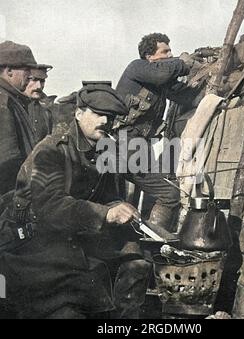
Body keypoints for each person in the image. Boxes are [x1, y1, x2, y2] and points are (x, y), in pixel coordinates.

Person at [0, 82, 151, 319]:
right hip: (32, 241)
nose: (105, 121)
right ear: (79, 113)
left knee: (137, 263)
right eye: (99, 114)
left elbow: (106, 195)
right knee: (70, 304)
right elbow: (50, 207)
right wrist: (106, 214)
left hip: (76, 234)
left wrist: (116, 205)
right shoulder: (51, 149)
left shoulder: (104, 151)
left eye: (110, 117)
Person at [116, 33, 198, 231]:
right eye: (165, 51)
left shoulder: (160, 83)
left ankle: (139, 238)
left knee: (147, 192)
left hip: (137, 147)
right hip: (121, 145)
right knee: (169, 193)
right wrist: (182, 63)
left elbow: (186, 97)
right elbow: (161, 74)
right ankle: (154, 241)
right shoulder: (137, 67)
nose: (170, 54)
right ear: (149, 56)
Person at [0, 40, 52, 196]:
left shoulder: (13, 100)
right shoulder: (4, 102)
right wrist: (17, 201)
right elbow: (7, 162)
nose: (31, 76)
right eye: (27, 70)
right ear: (9, 71)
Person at [23, 66, 54, 142]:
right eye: (34, 80)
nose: (39, 86)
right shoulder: (9, 105)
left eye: (42, 81)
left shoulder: (47, 109)